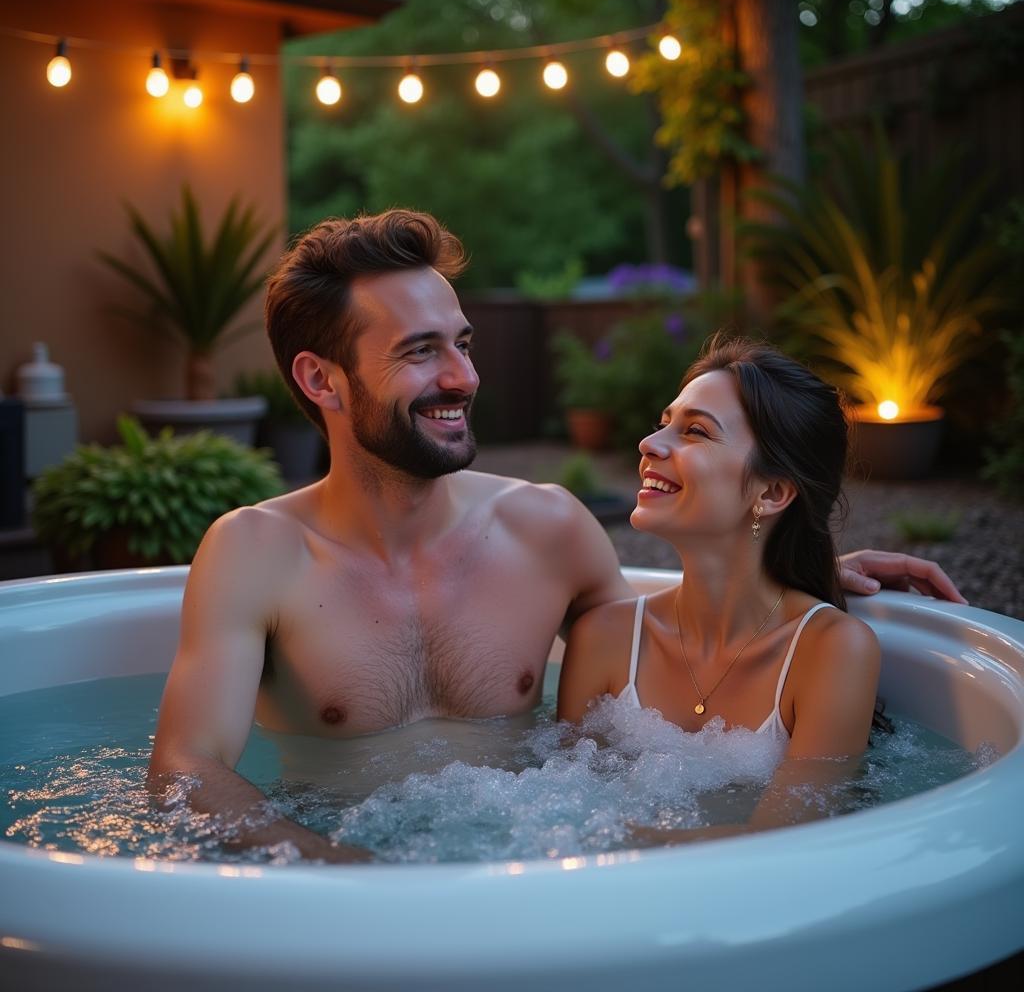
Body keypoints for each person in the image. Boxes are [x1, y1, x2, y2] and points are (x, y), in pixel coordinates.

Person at [147, 210, 964, 862]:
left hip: (532, 874)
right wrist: (337, 869)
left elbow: (679, 647)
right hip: (349, 896)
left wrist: (801, 563)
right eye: (421, 351)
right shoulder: (255, 553)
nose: (463, 377)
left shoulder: (548, 529)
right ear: (321, 379)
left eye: (462, 343)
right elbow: (188, 769)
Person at [556, 337, 899, 842]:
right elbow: (557, 809)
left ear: (772, 492)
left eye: (694, 431)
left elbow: (788, 846)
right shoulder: (604, 639)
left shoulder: (830, 650)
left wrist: (626, 846)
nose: (650, 444)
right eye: (663, 422)